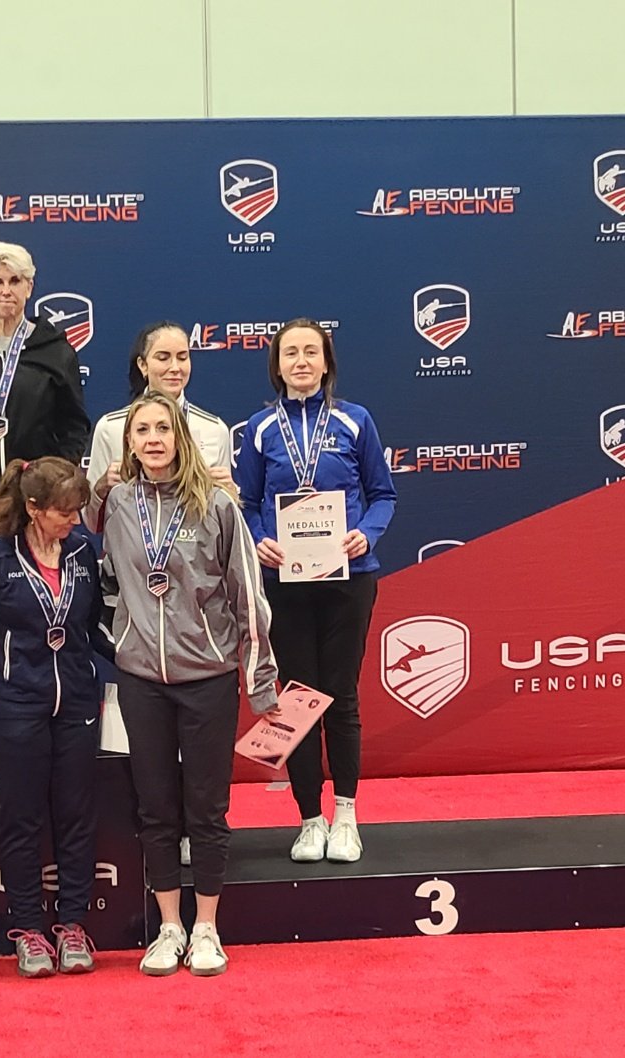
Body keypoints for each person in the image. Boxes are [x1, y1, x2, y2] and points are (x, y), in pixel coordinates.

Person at [101, 391, 277, 978]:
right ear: (129, 441)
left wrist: (261, 683)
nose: (153, 439)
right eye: (142, 430)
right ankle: (168, 927)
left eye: (163, 429)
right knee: (155, 808)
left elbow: (248, 597)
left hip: (208, 676)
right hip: (141, 680)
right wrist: (123, 638)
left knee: (206, 808)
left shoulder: (217, 507)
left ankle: (207, 927)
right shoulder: (116, 504)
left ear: (182, 437)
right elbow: (106, 583)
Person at [235, 319, 397, 864]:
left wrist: (365, 533)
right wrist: (260, 541)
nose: (301, 361)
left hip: (349, 577)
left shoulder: (356, 421)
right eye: (290, 353)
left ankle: (346, 813)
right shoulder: (259, 428)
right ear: (277, 366)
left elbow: (382, 494)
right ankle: (309, 819)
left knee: (342, 697)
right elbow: (249, 502)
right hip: (287, 581)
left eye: (311, 351)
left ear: (326, 362)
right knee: (297, 700)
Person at [0, 457, 111, 978]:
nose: (74, 521)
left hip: (76, 700)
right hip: (17, 704)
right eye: (63, 512)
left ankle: (72, 924)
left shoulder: (80, 550)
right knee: (22, 817)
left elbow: (94, 623)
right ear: (33, 509)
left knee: (75, 815)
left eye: (77, 511)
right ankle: (29, 929)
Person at [0, 242, 91, 506]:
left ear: (29, 288)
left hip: (35, 497)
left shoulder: (55, 351)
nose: (6, 291)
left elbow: (74, 425)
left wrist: (55, 479)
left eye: (15, 281)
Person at [85, 321, 234, 533]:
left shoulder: (214, 429)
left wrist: (230, 494)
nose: (175, 368)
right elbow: (91, 524)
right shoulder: (112, 427)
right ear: (143, 365)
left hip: (196, 560)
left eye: (182, 357)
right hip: (132, 560)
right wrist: (101, 488)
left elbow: (223, 525)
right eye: (163, 358)